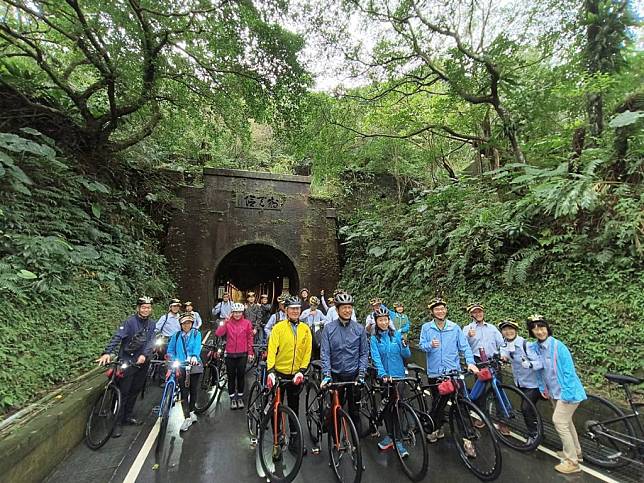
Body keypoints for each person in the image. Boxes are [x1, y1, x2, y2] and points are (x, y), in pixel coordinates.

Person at [527, 315, 586, 474]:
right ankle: (577, 452)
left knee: (559, 421)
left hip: (568, 393)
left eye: (542, 327)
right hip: (554, 392)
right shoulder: (536, 348)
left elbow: (569, 373)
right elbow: (539, 370)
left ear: (547, 328)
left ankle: (572, 462)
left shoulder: (559, 347)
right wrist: (542, 388)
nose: (539, 331)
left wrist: (567, 395)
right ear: (532, 331)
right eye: (535, 328)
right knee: (567, 423)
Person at [419, 297, 479, 448]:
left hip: (453, 372)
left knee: (460, 404)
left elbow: (464, 347)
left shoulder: (454, 327)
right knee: (438, 403)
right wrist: (430, 345)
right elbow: (421, 345)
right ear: (432, 312)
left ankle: (467, 439)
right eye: (437, 309)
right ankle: (436, 428)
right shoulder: (427, 327)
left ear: (446, 310)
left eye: (442, 308)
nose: (440, 311)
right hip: (435, 373)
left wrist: (470, 362)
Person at [97, 296, 156, 438]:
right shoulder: (129, 322)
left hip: (142, 362)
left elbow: (151, 341)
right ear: (138, 308)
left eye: (148, 307)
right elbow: (118, 337)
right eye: (143, 307)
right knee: (123, 391)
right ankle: (116, 422)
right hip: (128, 361)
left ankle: (127, 416)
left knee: (135, 389)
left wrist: (144, 354)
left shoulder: (152, 324)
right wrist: (107, 352)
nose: (146, 310)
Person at [266, 296, 312, 454]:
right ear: (286, 310)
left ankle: (294, 438)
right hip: (279, 372)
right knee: (276, 407)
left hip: (295, 374)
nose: (295, 311)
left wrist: (302, 370)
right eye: (292, 308)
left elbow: (307, 351)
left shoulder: (305, 329)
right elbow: (271, 349)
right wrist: (271, 371)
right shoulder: (278, 328)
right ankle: (276, 439)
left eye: (298, 309)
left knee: (294, 406)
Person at [320, 292, 369, 435]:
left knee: (354, 411)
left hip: (353, 375)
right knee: (336, 409)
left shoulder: (359, 329)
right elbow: (325, 353)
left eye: (350, 307)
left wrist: (361, 373)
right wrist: (327, 374)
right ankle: (334, 441)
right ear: (337, 310)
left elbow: (364, 353)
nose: (347, 310)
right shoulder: (329, 329)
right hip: (336, 375)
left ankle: (356, 442)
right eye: (344, 307)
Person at [370, 307, 412, 456]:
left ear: (389, 321)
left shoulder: (397, 335)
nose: (383, 322)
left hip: (399, 377)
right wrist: (382, 374)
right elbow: (375, 357)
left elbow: (406, 354)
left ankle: (399, 441)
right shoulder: (375, 339)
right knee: (387, 408)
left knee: (397, 408)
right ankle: (389, 436)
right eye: (380, 320)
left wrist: (405, 346)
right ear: (376, 322)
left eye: (385, 320)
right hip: (385, 378)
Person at [462, 302, 505, 428]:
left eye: (479, 311)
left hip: (493, 361)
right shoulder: (467, 328)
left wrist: (502, 355)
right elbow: (463, 345)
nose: (478, 314)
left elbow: (501, 344)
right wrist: (469, 336)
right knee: (480, 391)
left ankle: (502, 420)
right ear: (471, 315)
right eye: (475, 312)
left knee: (498, 389)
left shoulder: (491, 328)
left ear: (483, 312)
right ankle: (482, 417)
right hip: (478, 361)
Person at [498, 319, 541, 444]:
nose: (508, 332)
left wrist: (529, 364)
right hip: (520, 383)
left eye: (511, 329)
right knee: (530, 409)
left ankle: (533, 435)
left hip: (534, 384)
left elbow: (539, 363)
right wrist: (503, 358)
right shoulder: (505, 344)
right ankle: (538, 431)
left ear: (516, 330)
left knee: (526, 408)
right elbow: (504, 354)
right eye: (505, 330)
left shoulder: (526, 345)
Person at [167, 313, 203, 431]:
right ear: (181, 324)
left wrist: (194, 356)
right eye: (184, 323)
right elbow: (170, 350)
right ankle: (186, 417)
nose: (186, 325)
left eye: (189, 323)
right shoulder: (176, 336)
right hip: (181, 366)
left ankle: (192, 411)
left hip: (194, 365)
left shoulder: (196, 334)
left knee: (193, 390)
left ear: (192, 324)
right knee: (184, 391)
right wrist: (172, 358)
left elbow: (197, 347)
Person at [215, 302, 254, 409]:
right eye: (235, 312)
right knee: (231, 376)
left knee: (241, 376)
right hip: (230, 354)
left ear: (242, 313)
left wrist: (250, 352)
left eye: (239, 312)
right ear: (232, 313)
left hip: (242, 353)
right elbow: (218, 333)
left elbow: (249, 338)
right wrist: (225, 322)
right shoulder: (227, 323)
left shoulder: (247, 323)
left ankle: (240, 396)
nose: (237, 314)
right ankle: (232, 398)